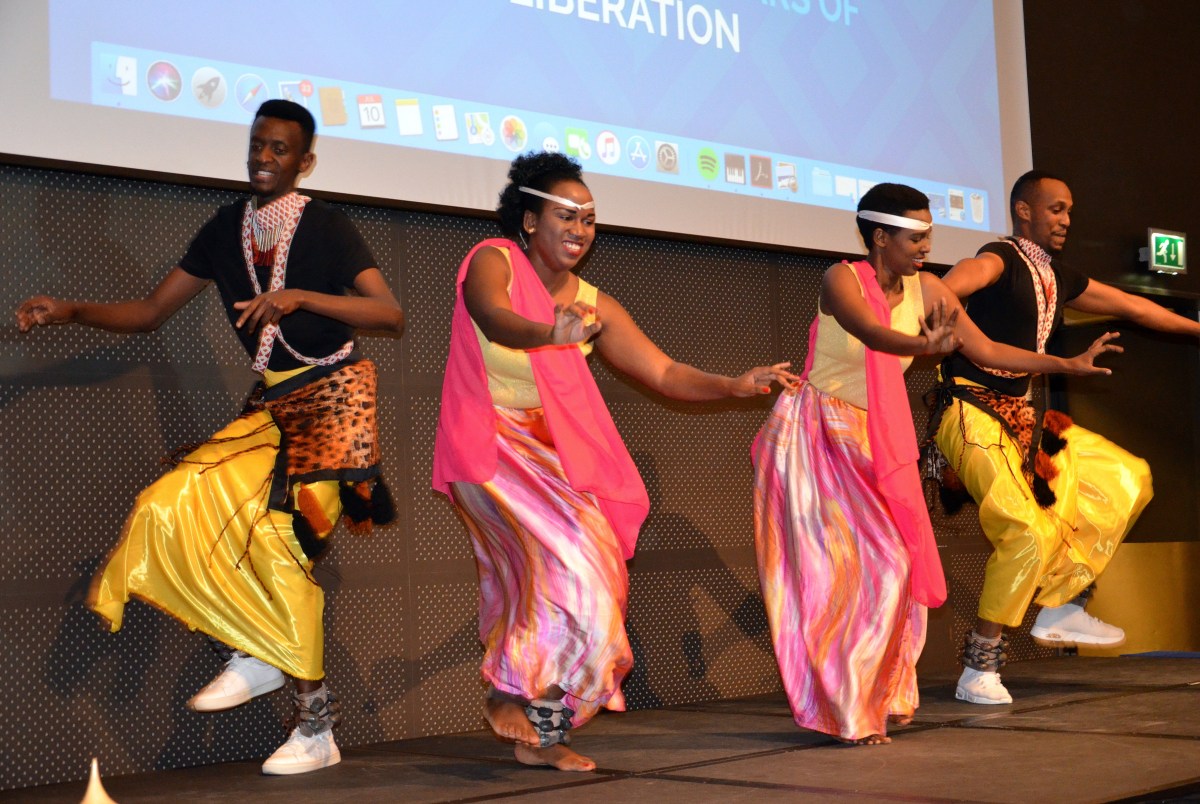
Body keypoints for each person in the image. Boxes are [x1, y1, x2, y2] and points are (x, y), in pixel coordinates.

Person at [15, 100, 404, 774]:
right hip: (272, 408)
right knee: (174, 499)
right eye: (257, 144)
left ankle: (315, 724)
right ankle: (254, 648)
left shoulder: (327, 226)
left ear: (305, 161)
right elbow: (149, 311)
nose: (264, 157)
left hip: (334, 403)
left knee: (280, 544)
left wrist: (301, 296)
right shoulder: (225, 230)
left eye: (280, 148)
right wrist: (72, 309)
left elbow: (389, 314)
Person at [432, 151, 795, 772]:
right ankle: (506, 690)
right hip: (489, 447)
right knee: (561, 568)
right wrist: (549, 334)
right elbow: (493, 319)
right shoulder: (493, 260)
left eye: (589, 218)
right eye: (565, 215)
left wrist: (732, 385)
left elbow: (665, 372)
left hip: (553, 456)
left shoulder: (593, 303)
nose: (580, 229)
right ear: (529, 220)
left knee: (597, 582)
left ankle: (541, 732)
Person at [752, 183, 1119, 745]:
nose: (926, 246)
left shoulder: (926, 288)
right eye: (915, 236)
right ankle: (846, 707)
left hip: (879, 436)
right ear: (880, 237)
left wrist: (1066, 364)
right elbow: (872, 332)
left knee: (896, 567)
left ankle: (874, 697)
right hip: (821, 434)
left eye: (929, 234)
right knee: (842, 573)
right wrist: (922, 348)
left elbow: (987, 350)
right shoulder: (841, 279)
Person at [932, 169, 1199, 705]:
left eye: (1070, 211)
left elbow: (1134, 306)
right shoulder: (999, 258)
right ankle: (978, 667)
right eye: (1056, 209)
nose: (1066, 220)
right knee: (1026, 532)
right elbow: (947, 284)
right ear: (1024, 210)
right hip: (970, 412)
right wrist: (943, 313)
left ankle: (1060, 604)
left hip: (1024, 419)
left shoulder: (1057, 275)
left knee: (1126, 477)